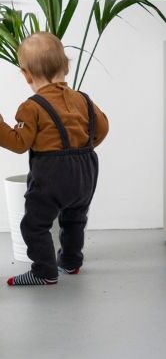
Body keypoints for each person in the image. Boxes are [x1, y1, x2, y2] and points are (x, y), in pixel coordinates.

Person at [0, 32, 109, 286]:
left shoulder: (32, 107)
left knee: (34, 224)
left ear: (26, 74)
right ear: (66, 66)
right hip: (86, 170)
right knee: (74, 219)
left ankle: (44, 271)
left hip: (52, 174)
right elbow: (102, 129)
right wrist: (81, 148)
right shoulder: (84, 100)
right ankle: (71, 263)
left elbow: (19, 143)